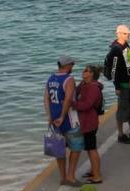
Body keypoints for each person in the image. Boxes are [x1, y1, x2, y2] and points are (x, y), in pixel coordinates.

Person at [44, 55, 82, 186]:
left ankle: (63, 177)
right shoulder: (69, 79)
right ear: (67, 65)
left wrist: (50, 116)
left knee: (59, 149)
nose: (73, 67)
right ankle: (71, 176)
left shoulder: (51, 78)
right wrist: (62, 116)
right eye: (72, 65)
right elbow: (68, 99)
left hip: (54, 120)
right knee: (76, 148)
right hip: (69, 120)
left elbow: (46, 99)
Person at [73, 64, 104, 185]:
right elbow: (75, 92)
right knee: (89, 147)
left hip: (89, 122)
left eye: (86, 71)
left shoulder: (93, 88)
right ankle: (94, 170)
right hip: (85, 121)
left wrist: (71, 104)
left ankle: (97, 176)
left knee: (91, 148)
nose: (83, 72)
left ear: (91, 74)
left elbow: (86, 105)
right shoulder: (84, 84)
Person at [105, 24, 130, 144]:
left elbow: (128, 63)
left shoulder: (125, 46)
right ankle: (121, 134)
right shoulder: (116, 50)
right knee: (122, 109)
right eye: (127, 34)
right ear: (120, 34)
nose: (129, 35)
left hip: (128, 81)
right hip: (122, 83)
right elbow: (114, 70)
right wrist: (117, 86)